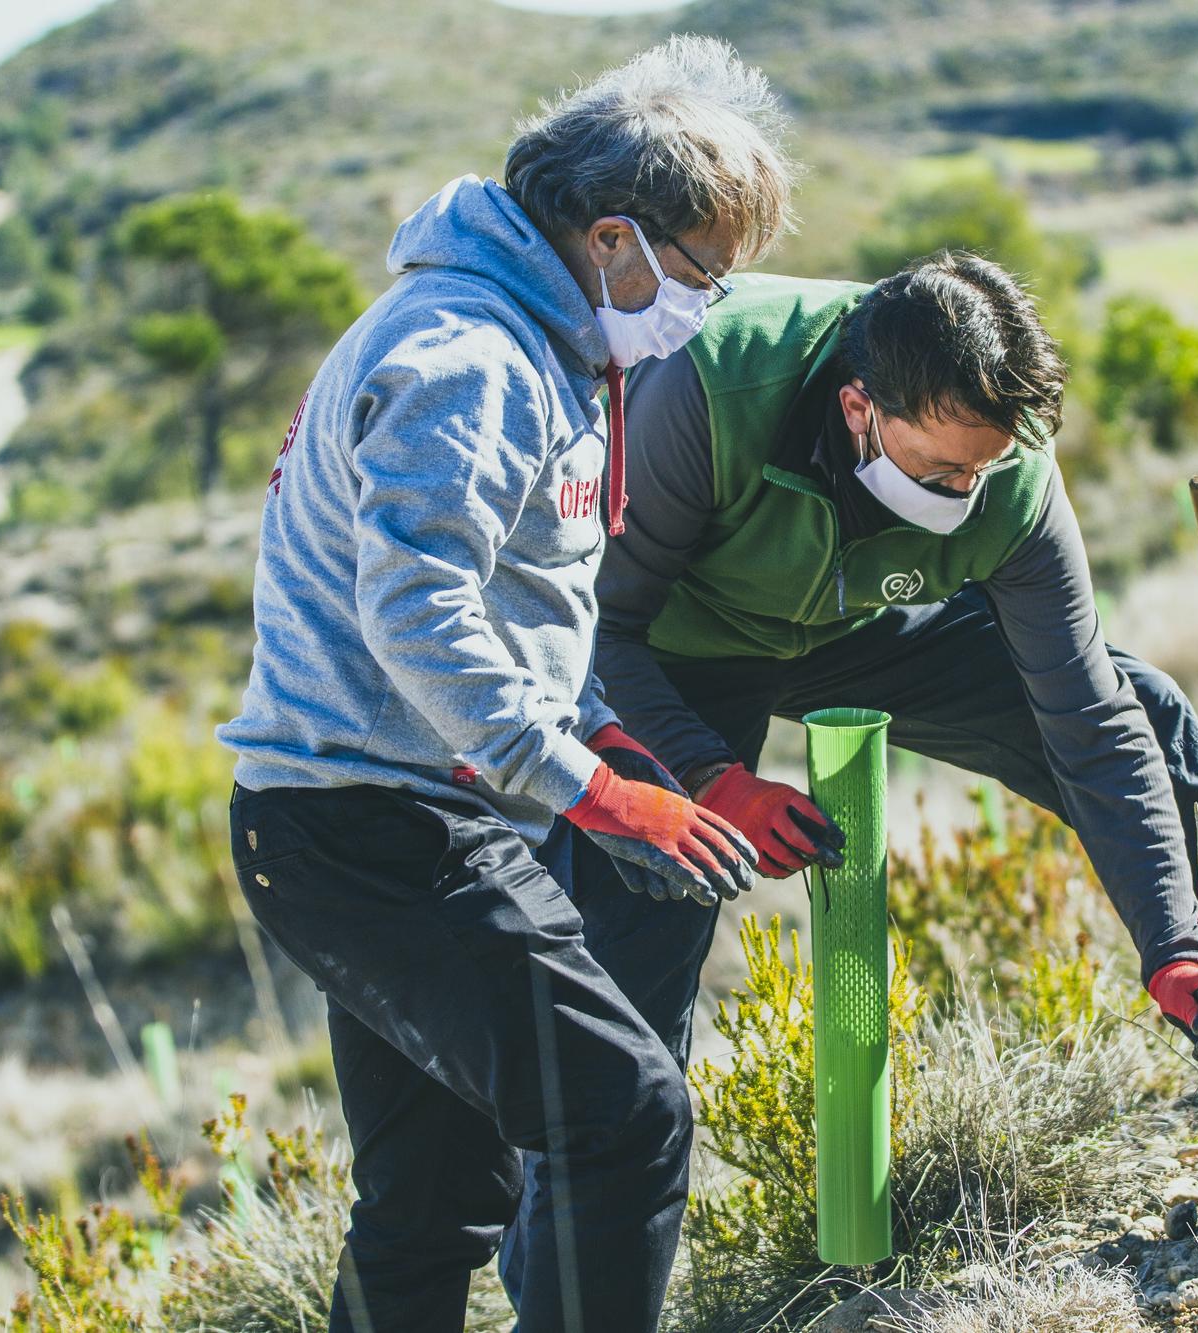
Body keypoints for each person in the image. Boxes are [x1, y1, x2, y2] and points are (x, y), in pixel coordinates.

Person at [561, 252, 1198, 1221]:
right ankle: (576, 1277)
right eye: (942, 469)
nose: (966, 492)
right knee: (636, 919)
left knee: (1146, 718)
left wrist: (1173, 942)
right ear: (859, 410)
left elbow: (1089, 722)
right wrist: (704, 775)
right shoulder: (710, 385)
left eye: (981, 467)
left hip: (861, 623)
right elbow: (589, 631)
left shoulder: (1008, 471)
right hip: (669, 643)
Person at [216, 36, 796, 1333]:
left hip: (373, 814)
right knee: (628, 1118)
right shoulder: (469, 355)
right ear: (610, 239)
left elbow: (519, 610)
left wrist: (618, 748)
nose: (703, 302)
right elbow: (417, 612)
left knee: (433, 1198)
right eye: (700, 272)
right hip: (375, 822)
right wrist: (591, 792)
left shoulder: (543, 342)